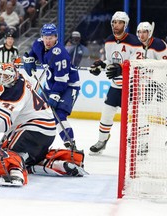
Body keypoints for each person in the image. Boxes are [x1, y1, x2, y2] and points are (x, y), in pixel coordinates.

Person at [0, 63, 86, 187]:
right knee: (30, 159)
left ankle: (15, 174)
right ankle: (57, 163)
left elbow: (2, 121)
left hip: (33, 131)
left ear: (14, 76)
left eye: (6, 76)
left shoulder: (14, 91)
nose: (3, 79)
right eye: (1, 75)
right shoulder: (24, 80)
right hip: (47, 132)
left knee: (4, 153)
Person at [88, 11, 142, 155]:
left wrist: (121, 68)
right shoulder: (109, 40)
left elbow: (137, 64)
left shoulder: (134, 42)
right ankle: (102, 141)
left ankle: (139, 142)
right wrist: (101, 65)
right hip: (115, 86)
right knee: (106, 114)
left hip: (132, 87)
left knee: (136, 117)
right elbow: (111, 62)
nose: (116, 25)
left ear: (125, 24)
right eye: (114, 22)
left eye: (119, 22)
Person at [23, 23, 80, 148]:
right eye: (46, 37)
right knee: (34, 111)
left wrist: (55, 95)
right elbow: (33, 53)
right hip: (50, 84)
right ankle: (31, 142)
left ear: (56, 37)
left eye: (51, 37)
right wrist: (29, 60)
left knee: (58, 114)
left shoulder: (60, 54)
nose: (48, 41)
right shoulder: (38, 44)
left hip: (68, 85)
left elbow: (62, 80)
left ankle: (70, 144)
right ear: (42, 37)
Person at [135, 22, 167, 155]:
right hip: (148, 83)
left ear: (150, 33)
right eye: (140, 32)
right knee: (142, 109)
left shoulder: (159, 45)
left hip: (162, 81)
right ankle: (143, 142)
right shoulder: (137, 46)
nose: (142, 35)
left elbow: (164, 65)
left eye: (145, 32)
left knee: (164, 110)